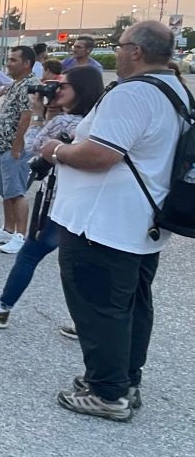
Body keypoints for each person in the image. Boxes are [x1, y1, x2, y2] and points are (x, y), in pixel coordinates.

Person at [42, 21, 187, 422]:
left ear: (136, 51)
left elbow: (100, 155)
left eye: (121, 46)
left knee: (100, 308)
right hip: (139, 222)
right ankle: (124, 380)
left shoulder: (133, 94)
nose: (118, 52)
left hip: (102, 224)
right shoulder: (174, 89)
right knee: (132, 306)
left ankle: (107, 393)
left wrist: (55, 150)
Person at [0, 65, 104, 331]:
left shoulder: (64, 123)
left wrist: (40, 114)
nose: (56, 90)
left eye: (63, 86)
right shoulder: (98, 121)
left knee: (31, 254)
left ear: (80, 90)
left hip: (59, 204)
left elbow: (32, 145)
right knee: (84, 265)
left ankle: (2, 308)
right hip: (88, 204)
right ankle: (87, 322)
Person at [0, 46, 38, 254]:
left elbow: (26, 117)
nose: (8, 63)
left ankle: (20, 235)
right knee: (6, 192)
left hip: (13, 148)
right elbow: (9, 112)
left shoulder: (29, 86)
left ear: (26, 63)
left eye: (13, 60)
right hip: (1, 146)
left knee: (16, 192)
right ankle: (7, 229)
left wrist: (17, 146)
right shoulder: (15, 84)